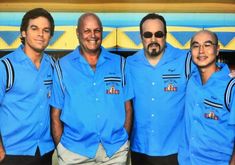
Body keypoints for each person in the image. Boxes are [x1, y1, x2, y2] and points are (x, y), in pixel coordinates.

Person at [50, 12, 132, 164]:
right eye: (87, 30)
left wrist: (124, 140)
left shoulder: (120, 63)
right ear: (78, 33)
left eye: (97, 30)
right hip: (74, 151)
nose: (92, 35)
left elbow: (128, 107)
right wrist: (61, 148)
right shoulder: (62, 66)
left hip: (114, 151)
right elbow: (55, 112)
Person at [125, 13, 194, 165]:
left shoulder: (185, 60)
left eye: (159, 34)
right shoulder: (129, 64)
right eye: (148, 35)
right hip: (140, 148)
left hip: (175, 149)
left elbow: (208, 71)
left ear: (166, 35)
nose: (153, 39)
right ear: (141, 36)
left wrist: (226, 73)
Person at [0, 8, 55, 165]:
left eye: (46, 30)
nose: (40, 34)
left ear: (50, 36)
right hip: (12, 153)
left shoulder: (52, 65)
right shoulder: (5, 67)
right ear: (23, 32)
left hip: (44, 150)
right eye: (34, 28)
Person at [178, 30, 235, 165]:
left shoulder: (231, 87)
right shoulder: (191, 80)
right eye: (196, 46)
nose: (201, 51)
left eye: (207, 45)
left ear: (217, 50)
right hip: (186, 160)